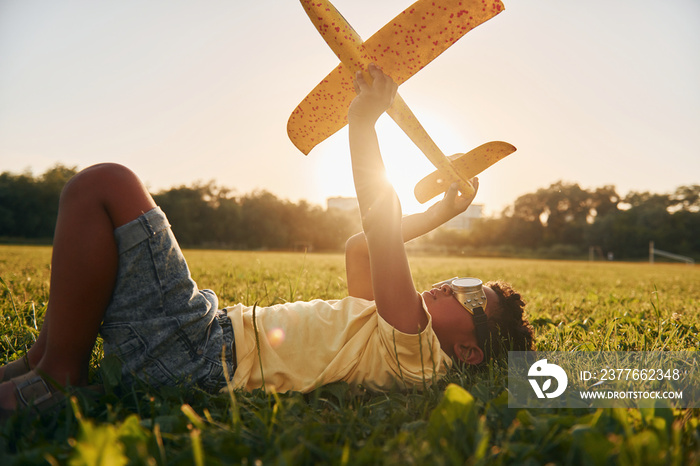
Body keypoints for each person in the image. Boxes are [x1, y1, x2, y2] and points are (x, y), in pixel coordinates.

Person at [0, 64, 533, 418]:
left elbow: (380, 218)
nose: (453, 284)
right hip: (204, 343)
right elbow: (362, 246)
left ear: (468, 348)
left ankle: (58, 374)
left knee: (106, 184)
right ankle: (44, 358)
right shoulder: (386, 333)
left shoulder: (416, 348)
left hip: (203, 354)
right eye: (467, 279)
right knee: (103, 192)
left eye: (469, 296)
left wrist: (362, 123)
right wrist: (441, 211)